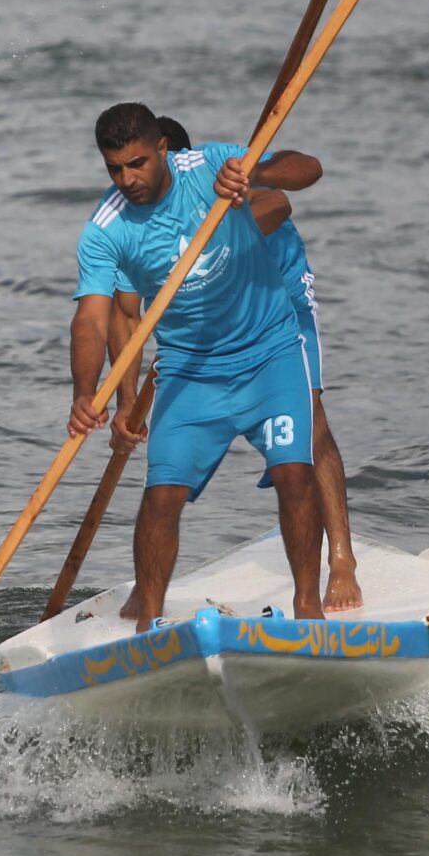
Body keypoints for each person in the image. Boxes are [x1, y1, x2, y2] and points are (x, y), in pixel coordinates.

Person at [67, 102, 358, 626]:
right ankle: (148, 626)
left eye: (137, 164)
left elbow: (305, 171)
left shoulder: (208, 167)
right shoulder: (106, 229)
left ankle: (311, 606)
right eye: (115, 168)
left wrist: (255, 174)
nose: (127, 179)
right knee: (161, 496)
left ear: (163, 151)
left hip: (269, 348)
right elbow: (101, 318)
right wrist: (94, 395)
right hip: (191, 365)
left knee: (296, 469)